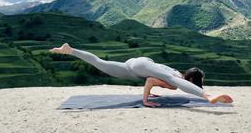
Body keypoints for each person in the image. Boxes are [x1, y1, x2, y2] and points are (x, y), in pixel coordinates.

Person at [49, 43, 233, 107]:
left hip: (134, 64)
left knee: (100, 63)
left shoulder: (175, 70)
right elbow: (152, 80)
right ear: (193, 81)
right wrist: (145, 100)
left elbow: (152, 77)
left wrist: (151, 90)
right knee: (171, 81)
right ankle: (208, 97)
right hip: (141, 66)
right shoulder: (175, 81)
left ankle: (70, 50)